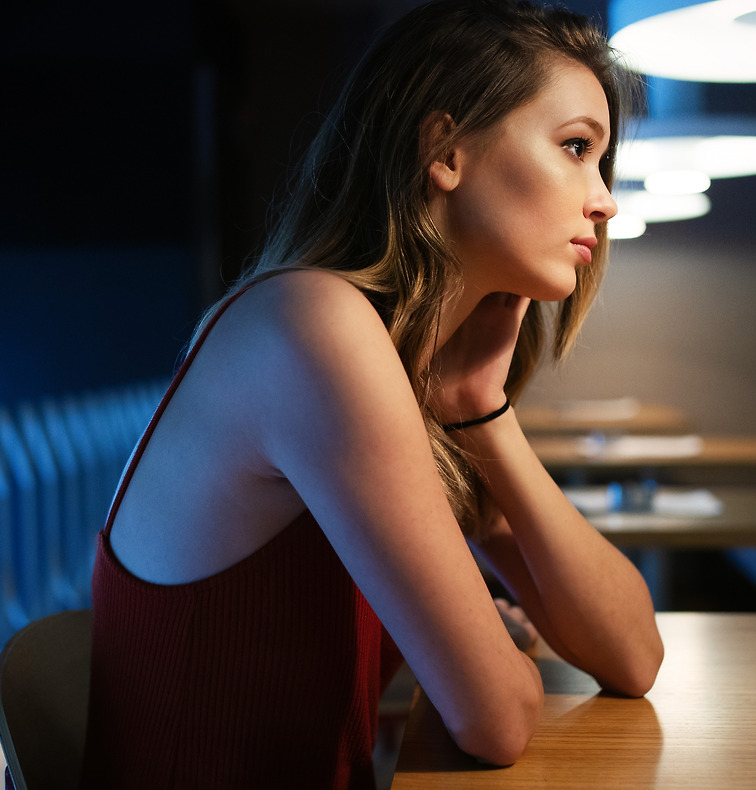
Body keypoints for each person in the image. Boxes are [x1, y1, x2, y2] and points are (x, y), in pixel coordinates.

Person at [79, 1, 663, 787]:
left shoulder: (406, 369)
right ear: (444, 148)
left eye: (601, 162)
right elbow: (496, 718)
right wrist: (487, 655)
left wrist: (483, 414)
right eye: (574, 148)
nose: (605, 199)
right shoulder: (314, 326)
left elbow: (632, 652)